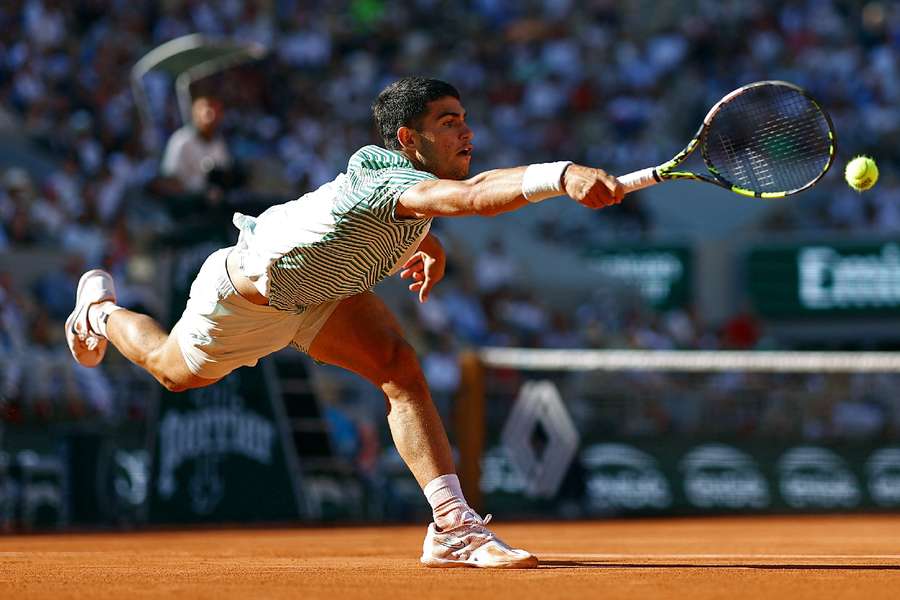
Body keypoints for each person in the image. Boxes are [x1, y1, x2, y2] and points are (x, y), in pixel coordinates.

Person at [65, 77, 623, 568]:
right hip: (245, 300)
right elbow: (472, 197)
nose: (465, 133)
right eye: (448, 122)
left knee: (401, 369)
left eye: (465, 119)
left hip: (323, 296)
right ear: (408, 139)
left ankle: (452, 528)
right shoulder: (384, 178)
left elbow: (412, 213)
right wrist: (562, 174)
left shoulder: (412, 191)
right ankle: (99, 310)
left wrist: (427, 245)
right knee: (172, 371)